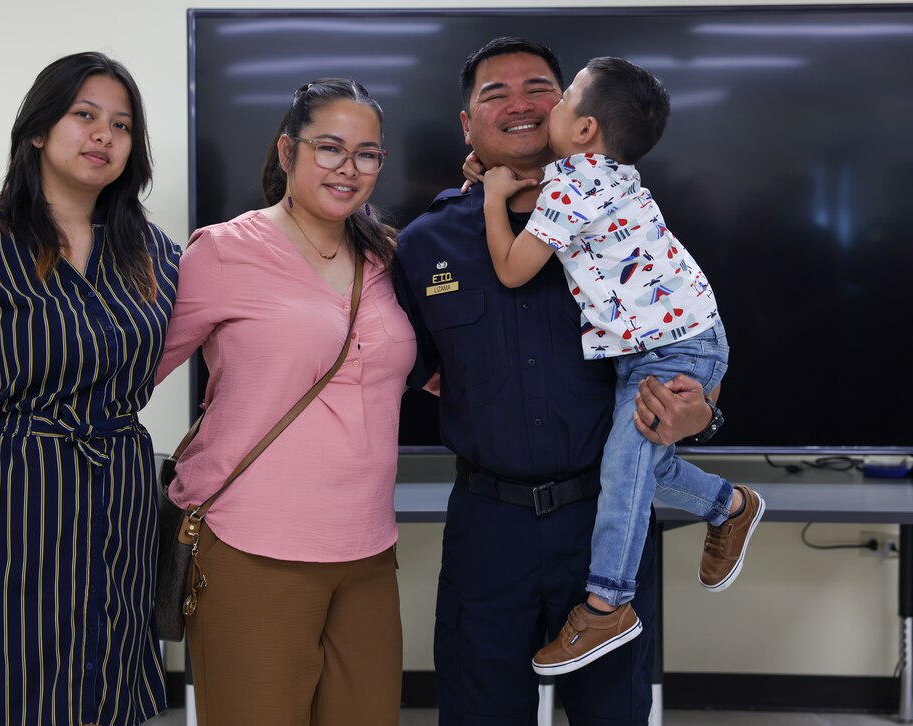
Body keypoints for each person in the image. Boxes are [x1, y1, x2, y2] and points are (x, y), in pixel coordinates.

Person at [393, 37, 723, 725]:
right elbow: (408, 367)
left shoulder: (631, 221)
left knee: (612, 713)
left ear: (576, 114)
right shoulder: (426, 243)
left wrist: (701, 416)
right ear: (468, 124)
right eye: (494, 93)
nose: (518, 104)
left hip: (605, 523)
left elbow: (692, 352)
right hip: (488, 530)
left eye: (539, 88)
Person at [0, 52, 179, 726]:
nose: (103, 135)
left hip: (117, 512)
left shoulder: (154, 255)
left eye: (121, 124)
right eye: (84, 115)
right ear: (40, 131)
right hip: (4, 514)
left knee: (101, 697)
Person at [475, 55, 764, 676]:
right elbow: (555, 194)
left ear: (583, 130)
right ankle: (729, 507)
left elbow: (511, 269)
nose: (546, 107)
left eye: (563, 96)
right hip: (677, 339)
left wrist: (494, 198)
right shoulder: (596, 172)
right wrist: (504, 178)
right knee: (630, 471)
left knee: (624, 473)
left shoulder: (572, 185)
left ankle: (608, 603)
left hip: (675, 349)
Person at [155, 78, 415, 726]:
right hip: (250, 546)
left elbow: (449, 372)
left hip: (367, 551)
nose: (348, 168)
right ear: (286, 151)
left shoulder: (387, 257)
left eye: (367, 154)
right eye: (329, 148)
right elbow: (131, 370)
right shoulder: (222, 251)